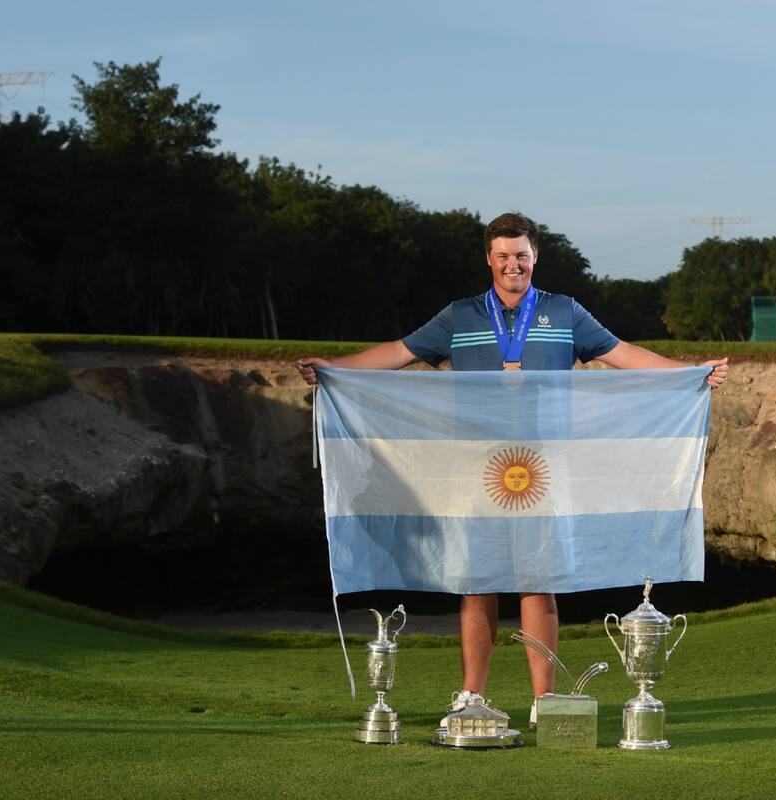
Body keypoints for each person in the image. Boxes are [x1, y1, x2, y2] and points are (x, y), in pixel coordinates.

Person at [295, 211, 727, 729]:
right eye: (502, 255)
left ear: (535, 256)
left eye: (521, 254)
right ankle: (471, 696)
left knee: (537, 582)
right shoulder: (460, 316)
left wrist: (693, 375)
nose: (512, 264)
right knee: (477, 582)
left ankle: (544, 701)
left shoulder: (565, 312)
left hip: (546, 462)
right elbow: (398, 352)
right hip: (476, 463)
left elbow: (621, 353)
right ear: (489, 259)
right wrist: (332, 370)